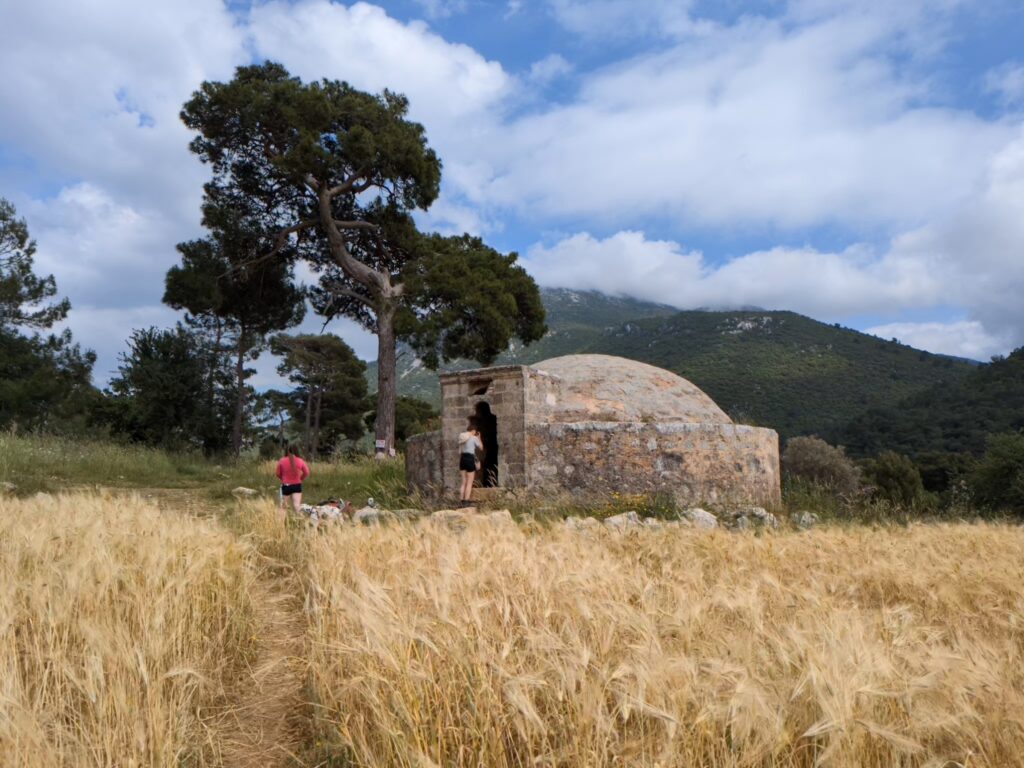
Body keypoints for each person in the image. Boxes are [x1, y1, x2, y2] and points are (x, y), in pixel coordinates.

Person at [275, 444, 310, 524]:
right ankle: (301, 522)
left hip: (286, 485)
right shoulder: (300, 460)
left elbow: (277, 473)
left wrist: (283, 478)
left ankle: (280, 525)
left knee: (283, 506)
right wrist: (301, 479)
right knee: (297, 506)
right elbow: (307, 472)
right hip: (297, 485)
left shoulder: (282, 460)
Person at [457, 418, 482, 505]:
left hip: (462, 458)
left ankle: (461, 500)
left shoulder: (462, 436)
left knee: (463, 481)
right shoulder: (474, 438)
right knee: (469, 482)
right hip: (470, 458)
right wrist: (479, 438)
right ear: (474, 430)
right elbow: (481, 448)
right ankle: (466, 501)